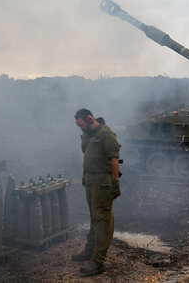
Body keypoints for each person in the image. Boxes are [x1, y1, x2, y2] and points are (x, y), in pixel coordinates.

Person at [72, 108, 121, 276]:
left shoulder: (106, 134)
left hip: (103, 182)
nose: (81, 128)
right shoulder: (90, 134)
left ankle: (98, 261)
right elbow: (86, 151)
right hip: (91, 180)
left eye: (82, 125)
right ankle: (89, 250)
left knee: (102, 219)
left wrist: (115, 183)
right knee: (94, 216)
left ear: (90, 119)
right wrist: (86, 133)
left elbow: (114, 159)